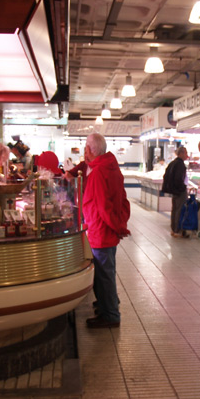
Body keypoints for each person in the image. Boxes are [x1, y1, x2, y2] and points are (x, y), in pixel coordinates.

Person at [82, 132, 130, 329]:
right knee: (106, 273)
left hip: (101, 232)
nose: (84, 151)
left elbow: (103, 207)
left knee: (104, 276)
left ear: (91, 151)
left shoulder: (99, 172)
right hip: (108, 231)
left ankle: (110, 315)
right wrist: (120, 225)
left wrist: (118, 227)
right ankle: (106, 306)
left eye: (86, 147)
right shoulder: (112, 168)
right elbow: (124, 201)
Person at [162, 146, 188, 237]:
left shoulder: (173, 163)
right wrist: (182, 188)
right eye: (185, 153)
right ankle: (177, 230)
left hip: (174, 191)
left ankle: (173, 229)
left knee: (174, 209)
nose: (187, 155)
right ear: (181, 153)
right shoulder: (180, 164)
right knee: (179, 210)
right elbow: (178, 179)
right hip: (179, 191)